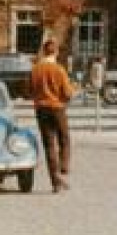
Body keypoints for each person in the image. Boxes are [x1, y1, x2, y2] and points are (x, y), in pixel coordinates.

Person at [29, 39, 76, 192]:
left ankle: (55, 182)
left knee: (49, 144)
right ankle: (63, 167)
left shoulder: (35, 69)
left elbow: (28, 89)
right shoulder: (59, 70)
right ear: (56, 52)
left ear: (44, 51)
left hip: (41, 109)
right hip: (57, 107)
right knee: (64, 138)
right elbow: (68, 93)